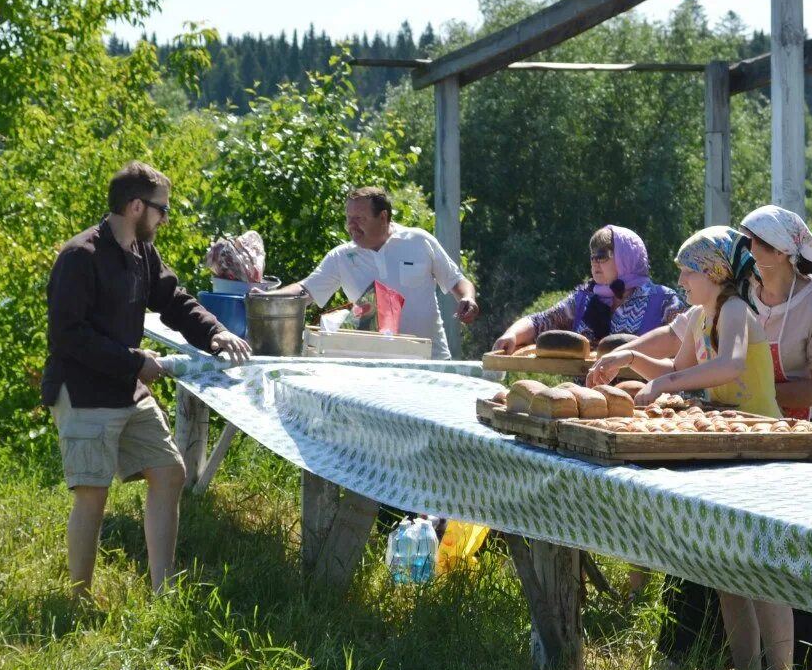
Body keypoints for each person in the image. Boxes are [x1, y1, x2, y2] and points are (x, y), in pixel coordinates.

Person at [600, 207, 812, 670]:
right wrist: (630, 360)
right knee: (725, 574)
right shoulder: (702, 314)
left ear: (713, 272)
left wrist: (667, 387)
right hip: (726, 445)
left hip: (762, 445)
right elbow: (677, 367)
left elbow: (731, 366)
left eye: (687, 270)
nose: (680, 279)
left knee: (761, 576)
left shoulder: (736, 309)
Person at [42, 161, 251, 600]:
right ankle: (77, 600)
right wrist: (135, 360)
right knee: (92, 493)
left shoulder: (141, 252)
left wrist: (216, 333)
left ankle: (164, 590)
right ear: (136, 206)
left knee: (169, 472)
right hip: (82, 391)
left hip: (125, 385)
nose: (165, 219)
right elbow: (69, 336)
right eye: (162, 209)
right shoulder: (80, 257)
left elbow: (173, 300)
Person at [262, 186, 478, 359]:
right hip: (374, 366)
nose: (351, 226)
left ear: (383, 217)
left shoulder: (419, 241)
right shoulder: (341, 257)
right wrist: (265, 297)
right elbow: (305, 291)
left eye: (360, 219)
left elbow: (457, 281)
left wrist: (467, 298)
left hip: (431, 361)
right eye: (349, 218)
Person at [491, 225, 685, 353]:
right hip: (583, 402)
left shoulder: (664, 300)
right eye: (592, 256)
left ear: (626, 257)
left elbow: (689, 342)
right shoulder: (584, 297)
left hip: (648, 405)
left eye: (602, 255)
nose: (594, 262)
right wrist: (512, 335)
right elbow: (541, 321)